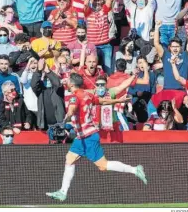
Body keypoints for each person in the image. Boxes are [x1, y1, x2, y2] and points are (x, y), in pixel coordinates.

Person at [45, 73, 147, 202]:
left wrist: (64, 120)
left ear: (71, 84)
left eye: (67, 81)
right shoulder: (87, 94)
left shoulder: (74, 97)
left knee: (102, 165)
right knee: (69, 159)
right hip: (82, 136)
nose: (66, 82)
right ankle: (63, 192)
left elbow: (71, 110)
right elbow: (102, 101)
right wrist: (118, 101)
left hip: (87, 136)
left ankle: (135, 169)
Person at [83, 0, 114, 74]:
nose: (96, 2)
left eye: (98, 0)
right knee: (92, 70)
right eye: (94, 0)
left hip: (106, 45)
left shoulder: (104, 10)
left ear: (101, 1)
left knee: (108, 71)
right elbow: (85, 3)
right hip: (92, 46)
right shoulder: (88, 12)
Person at [31, 58, 65, 130]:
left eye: (48, 78)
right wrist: (39, 70)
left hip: (59, 124)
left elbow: (57, 83)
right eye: (45, 78)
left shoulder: (58, 90)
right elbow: (33, 84)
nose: (47, 79)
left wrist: (48, 71)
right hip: (45, 125)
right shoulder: (40, 90)